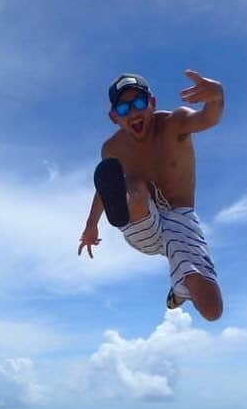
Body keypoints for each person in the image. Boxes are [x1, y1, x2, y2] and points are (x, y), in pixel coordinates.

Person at [78, 69, 224, 321]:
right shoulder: (112, 149)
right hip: (142, 221)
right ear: (114, 117)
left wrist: (216, 97)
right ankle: (132, 205)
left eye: (139, 103)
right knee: (133, 183)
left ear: (152, 103)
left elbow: (206, 119)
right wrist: (91, 226)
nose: (133, 112)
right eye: (124, 110)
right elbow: (104, 188)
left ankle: (180, 289)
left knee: (212, 311)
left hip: (181, 221)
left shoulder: (174, 123)